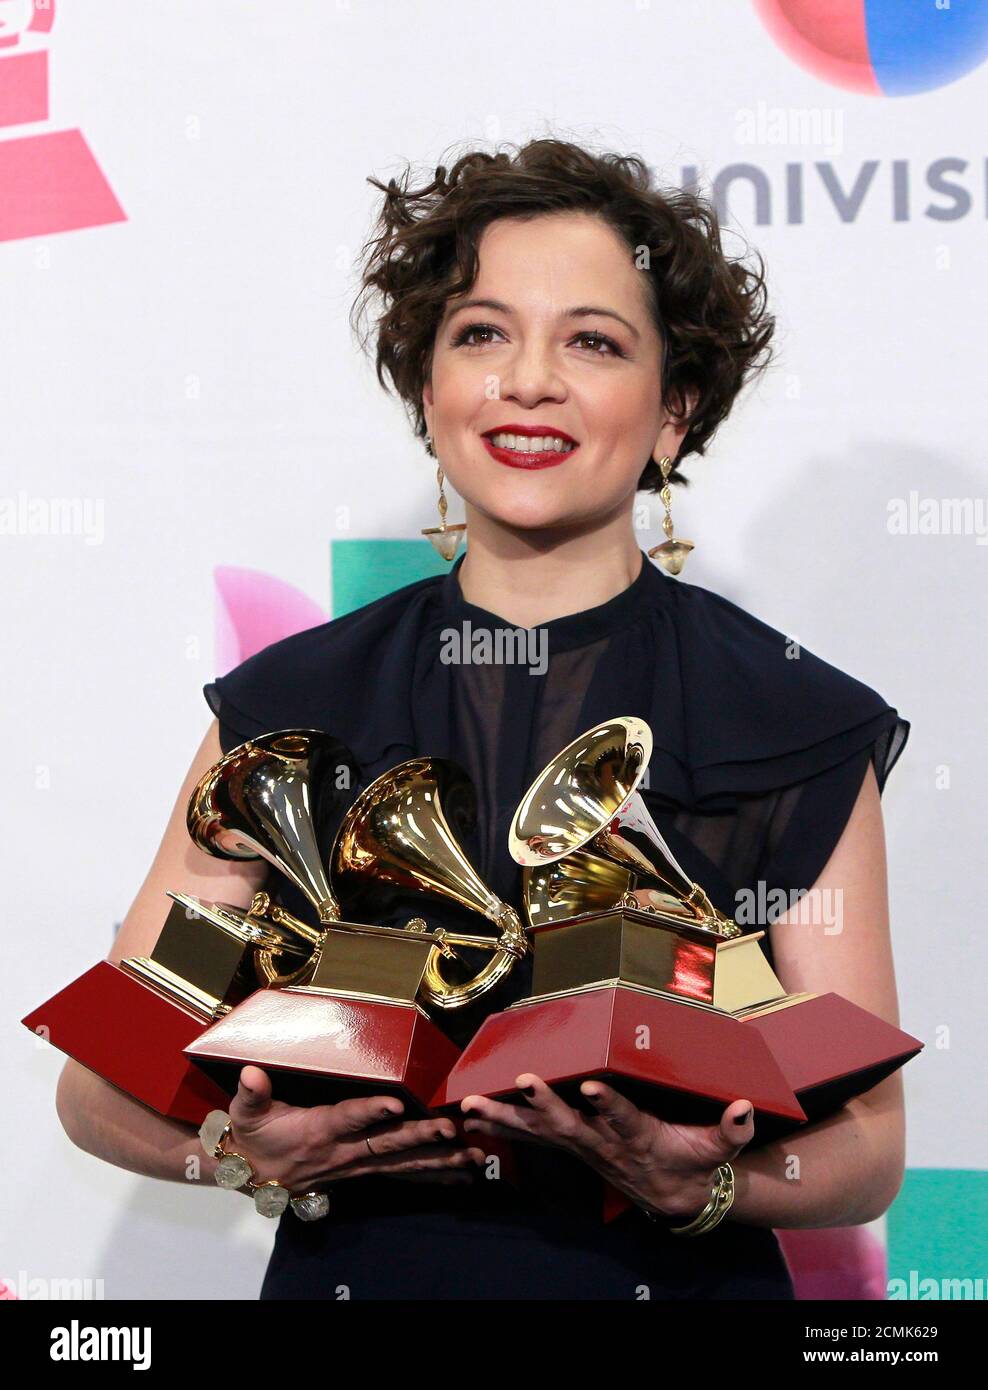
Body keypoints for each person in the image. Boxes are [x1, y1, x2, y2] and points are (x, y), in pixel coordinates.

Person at [55, 138, 909, 1300]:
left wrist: (696, 1183)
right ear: (428, 389)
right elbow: (99, 1085)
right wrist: (231, 1152)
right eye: (482, 334)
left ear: (675, 410)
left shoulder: (787, 715)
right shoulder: (289, 709)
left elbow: (865, 1147)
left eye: (593, 341)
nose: (528, 380)